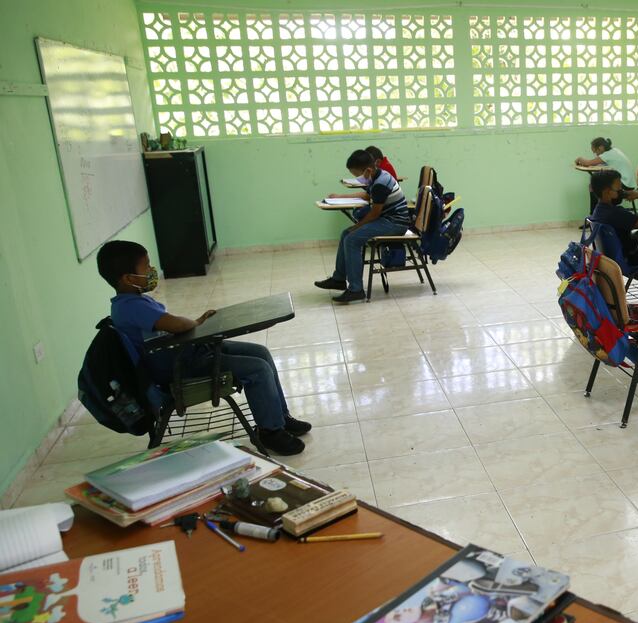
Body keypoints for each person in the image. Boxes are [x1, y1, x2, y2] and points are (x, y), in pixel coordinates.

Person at [96, 240, 310, 456]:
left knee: (260, 352)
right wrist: (196, 323)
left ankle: (280, 418)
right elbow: (177, 325)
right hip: (179, 366)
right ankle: (270, 432)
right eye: (147, 266)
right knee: (258, 369)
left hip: (184, 352)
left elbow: (167, 326)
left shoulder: (133, 302)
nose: (152, 270)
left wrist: (196, 324)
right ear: (129, 278)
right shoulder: (131, 307)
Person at [314, 149, 413, 304]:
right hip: (387, 219)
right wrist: (340, 197)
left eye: (357, 175)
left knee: (351, 239)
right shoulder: (376, 176)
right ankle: (339, 279)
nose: (357, 179)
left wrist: (357, 227)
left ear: (368, 170)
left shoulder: (381, 183)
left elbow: (374, 214)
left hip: (395, 223)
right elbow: (368, 197)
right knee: (345, 234)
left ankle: (356, 289)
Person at [589, 169, 638, 275]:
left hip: (610, 260)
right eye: (619, 189)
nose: (622, 192)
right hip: (631, 259)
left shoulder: (598, 210)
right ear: (607, 192)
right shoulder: (615, 213)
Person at [575, 137, 635, 215]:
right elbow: (600, 164)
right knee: (593, 186)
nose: (596, 155)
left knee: (594, 187)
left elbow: (588, 163)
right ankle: (596, 215)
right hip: (628, 182)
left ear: (600, 147)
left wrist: (579, 158)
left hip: (625, 184)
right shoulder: (614, 150)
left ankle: (595, 215)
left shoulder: (608, 155)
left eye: (596, 152)